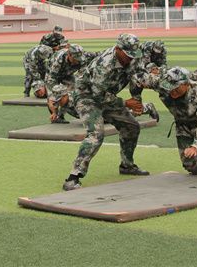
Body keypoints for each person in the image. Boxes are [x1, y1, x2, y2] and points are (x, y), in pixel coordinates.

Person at [62, 34, 149, 191]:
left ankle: (127, 165)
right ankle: (73, 177)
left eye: (133, 55)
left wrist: (136, 99)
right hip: (87, 97)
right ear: (118, 49)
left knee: (131, 126)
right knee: (96, 134)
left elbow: (138, 77)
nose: (130, 58)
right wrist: (125, 103)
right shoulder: (104, 64)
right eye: (127, 54)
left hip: (109, 96)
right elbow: (98, 95)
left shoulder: (135, 57)